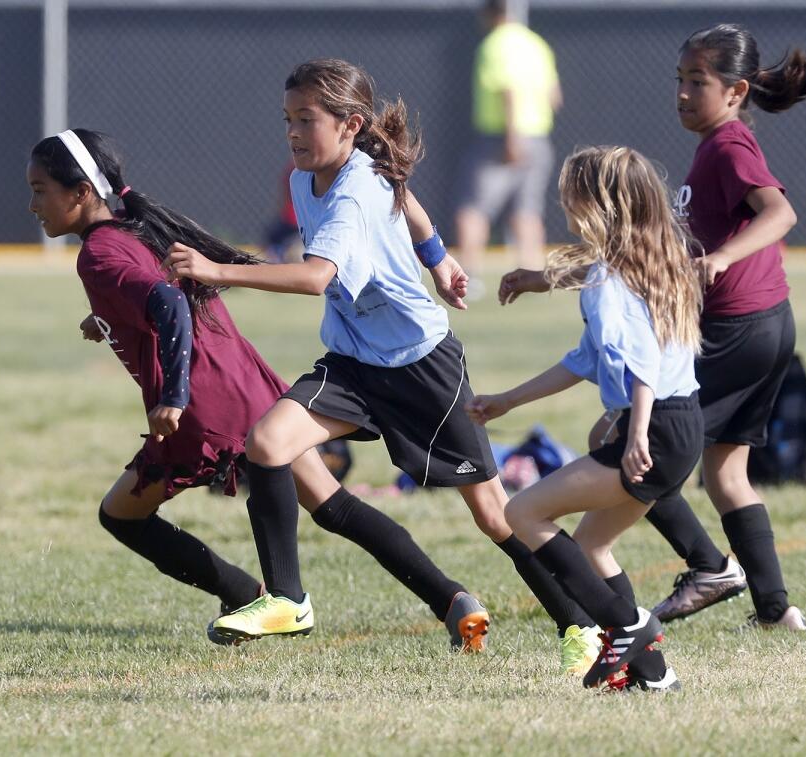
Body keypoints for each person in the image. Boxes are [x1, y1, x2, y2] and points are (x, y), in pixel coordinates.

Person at [165, 58, 601, 674]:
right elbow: (410, 199)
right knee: (268, 443)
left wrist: (217, 272)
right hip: (352, 363)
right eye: (287, 119)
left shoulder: (355, 192)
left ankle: (578, 623)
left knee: (494, 515)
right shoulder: (311, 178)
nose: (292, 131)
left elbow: (318, 277)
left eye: (306, 120)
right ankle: (287, 599)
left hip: (421, 368)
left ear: (350, 125)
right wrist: (438, 257)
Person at [26, 128, 496, 652]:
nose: (33, 204)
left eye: (41, 189)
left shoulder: (97, 254)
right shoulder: (136, 227)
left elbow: (169, 305)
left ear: (80, 193)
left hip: (203, 406)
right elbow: (158, 290)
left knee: (121, 514)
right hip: (247, 382)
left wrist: (174, 396)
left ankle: (245, 595)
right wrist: (106, 317)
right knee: (334, 505)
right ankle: (452, 600)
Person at [498, 24, 806, 630]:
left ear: (735, 91)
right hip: (765, 326)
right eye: (678, 79)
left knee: (638, 442)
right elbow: (633, 265)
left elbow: (781, 213)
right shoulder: (713, 147)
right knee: (725, 474)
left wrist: (725, 258)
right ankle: (775, 610)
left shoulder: (729, 145)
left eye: (696, 82)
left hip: (735, 323)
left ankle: (707, 566)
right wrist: (544, 277)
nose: (681, 93)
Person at [470, 145, 702, 692]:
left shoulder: (608, 278)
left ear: (598, 205)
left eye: (569, 197)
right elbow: (587, 360)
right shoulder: (651, 261)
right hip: (681, 424)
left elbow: (640, 357)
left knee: (523, 513)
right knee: (593, 546)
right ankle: (652, 674)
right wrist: (509, 400)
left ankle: (627, 626)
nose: (563, 207)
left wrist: (637, 430)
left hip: (655, 427)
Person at [456, 0, 561, 299]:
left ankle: (467, 277)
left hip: (502, 138)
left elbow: (509, 90)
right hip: (538, 136)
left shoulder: (495, 44)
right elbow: (555, 96)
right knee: (527, 211)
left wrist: (512, 137)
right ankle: (531, 277)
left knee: (473, 208)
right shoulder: (535, 43)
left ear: (491, 13)